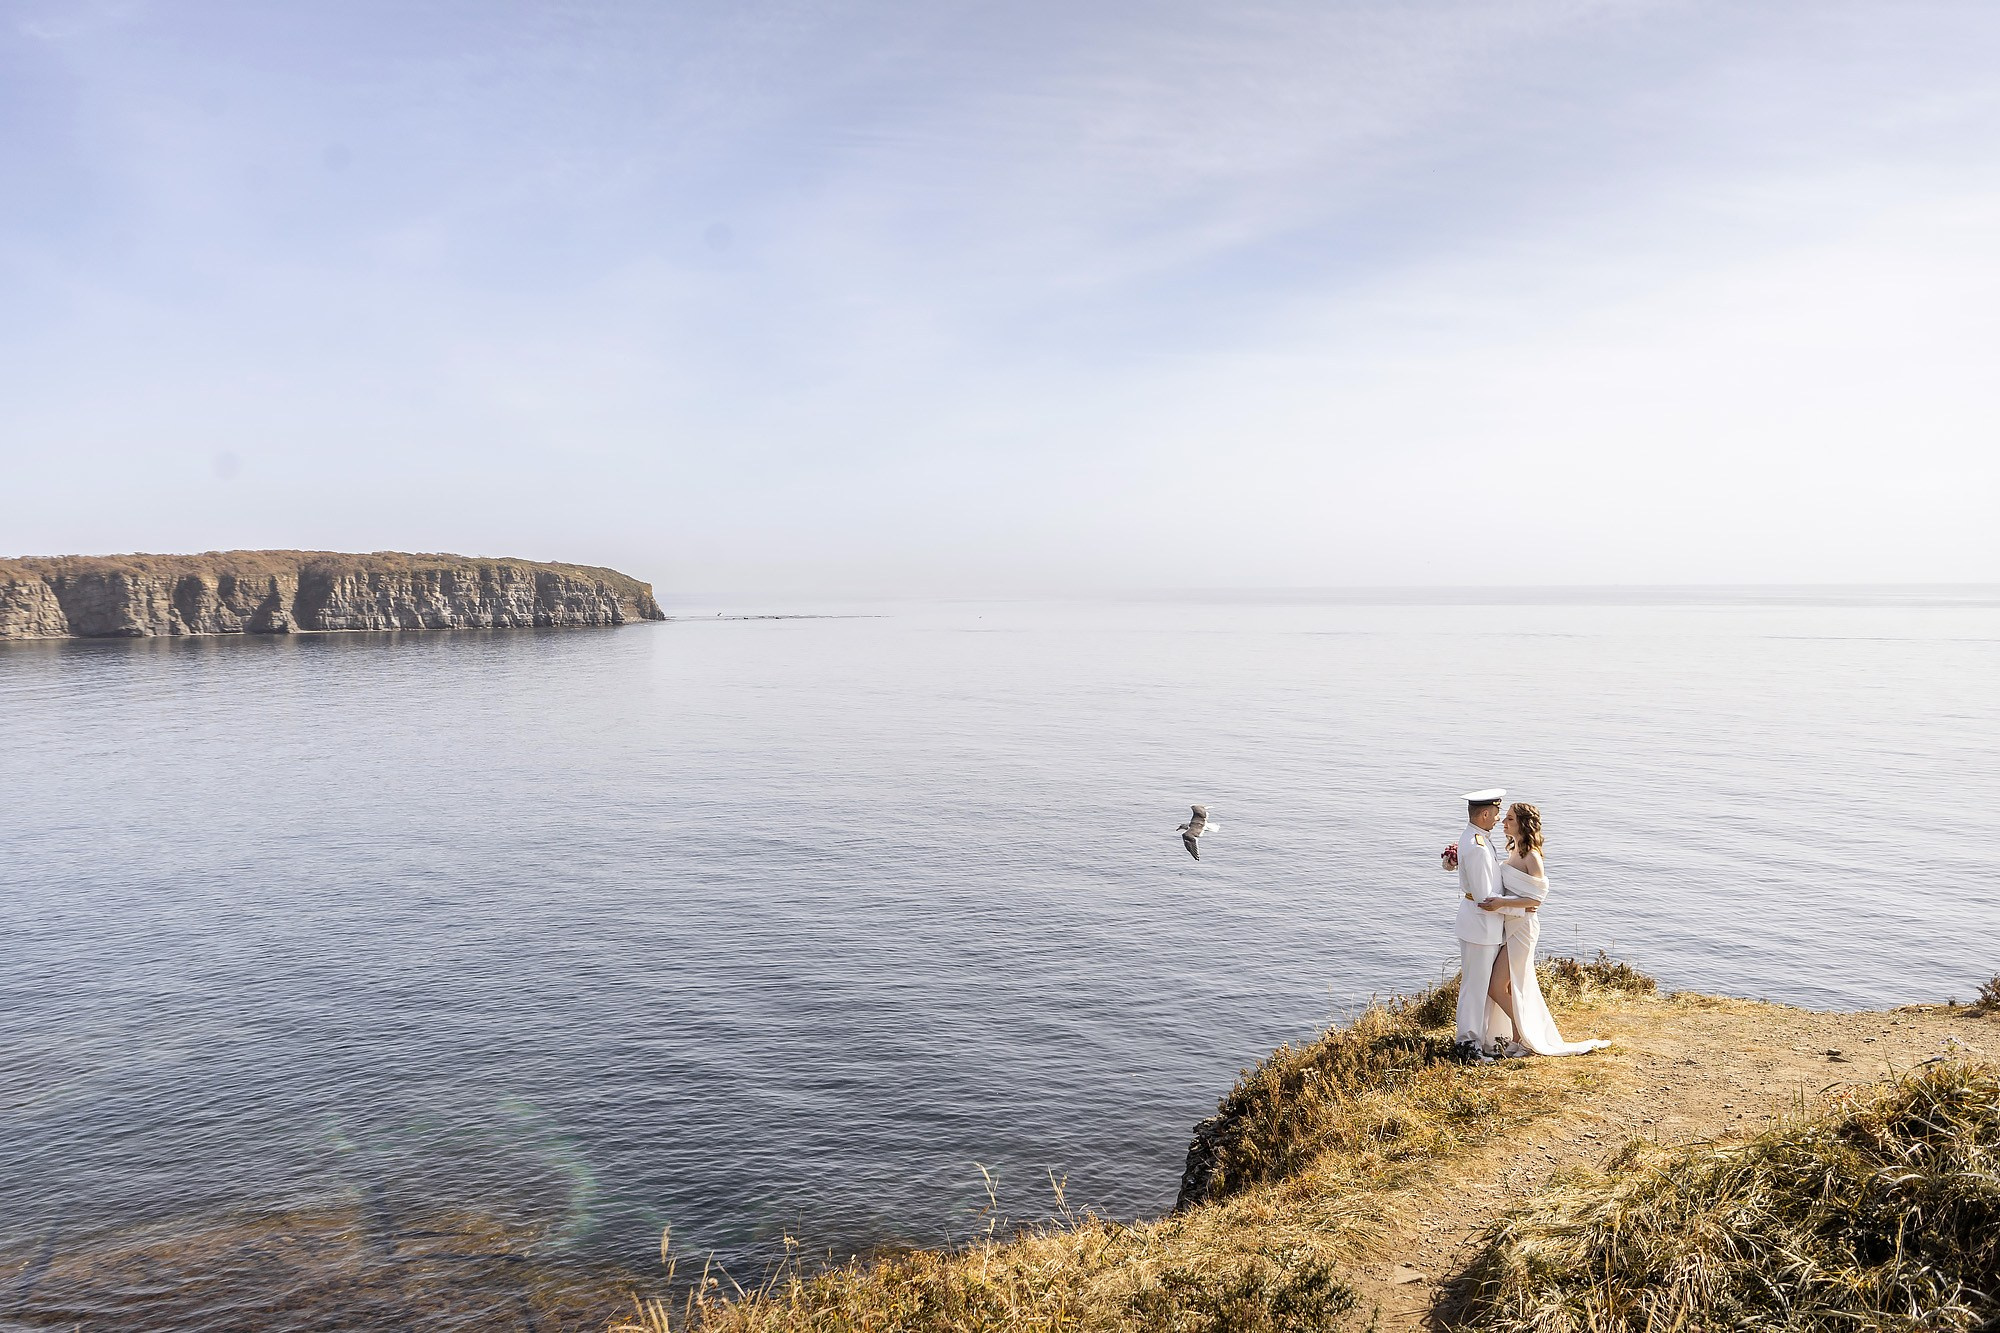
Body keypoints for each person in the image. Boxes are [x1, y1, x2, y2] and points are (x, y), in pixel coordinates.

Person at [1476, 802, 1609, 1057]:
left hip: (1523, 928)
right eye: (1504, 818)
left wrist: (1502, 903)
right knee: (1509, 985)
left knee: (1497, 986)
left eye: (1510, 819)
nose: (1504, 823)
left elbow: (1537, 900)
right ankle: (1518, 1038)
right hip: (1508, 926)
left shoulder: (1532, 857)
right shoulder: (1514, 850)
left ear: (1524, 824)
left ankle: (1524, 1036)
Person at [1451, 789, 1527, 1059]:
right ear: (1485, 814)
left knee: (1480, 986)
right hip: (1480, 927)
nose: (1497, 818)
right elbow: (1486, 898)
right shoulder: (1479, 847)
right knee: (1475, 987)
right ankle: (1468, 1045)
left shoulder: (1477, 839)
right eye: (1496, 813)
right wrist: (1522, 907)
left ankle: (1481, 1042)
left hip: (1482, 927)